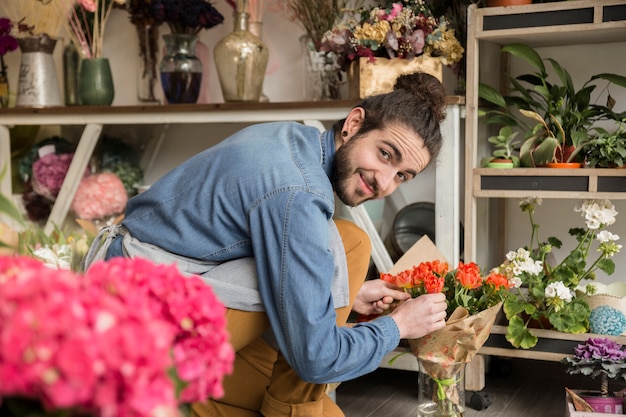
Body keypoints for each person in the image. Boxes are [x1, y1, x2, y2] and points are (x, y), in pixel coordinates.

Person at [82, 72, 449, 417]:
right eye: (385, 154)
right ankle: (182, 400)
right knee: (346, 251)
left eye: (402, 175)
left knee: (347, 242)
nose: (385, 183)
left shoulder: (295, 141)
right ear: (354, 124)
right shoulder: (298, 194)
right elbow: (316, 359)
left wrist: (349, 297)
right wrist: (397, 327)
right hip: (134, 331)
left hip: (148, 282)